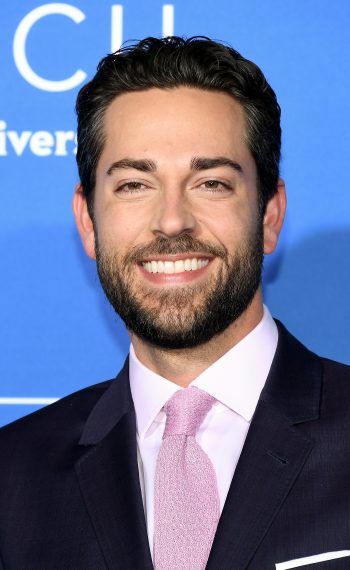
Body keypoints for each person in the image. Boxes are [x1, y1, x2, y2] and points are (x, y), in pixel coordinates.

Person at [0, 36, 349, 570]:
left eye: (210, 182)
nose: (171, 221)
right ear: (88, 222)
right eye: (135, 184)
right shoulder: (12, 476)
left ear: (270, 215)